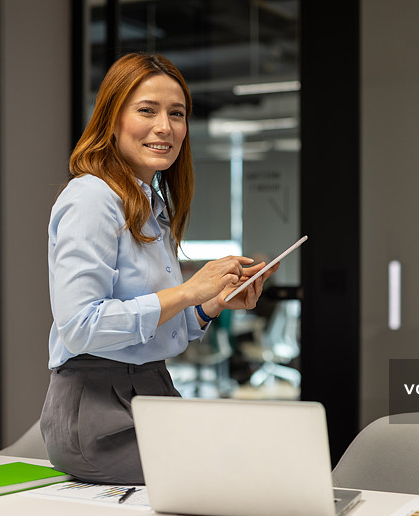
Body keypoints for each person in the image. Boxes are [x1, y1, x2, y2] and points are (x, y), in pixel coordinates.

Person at [40, 52, 279, 484]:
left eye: (177, 114)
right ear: (112, 119)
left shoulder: (152, 204)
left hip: (152, 390)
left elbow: (159, 327)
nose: (165, 127)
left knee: (257, 459)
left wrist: (210, 304)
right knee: (234, 474)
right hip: (98, 409)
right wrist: (189, 290)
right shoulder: (92, 198)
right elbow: (79, 326)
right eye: (147, 110)